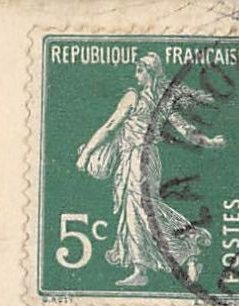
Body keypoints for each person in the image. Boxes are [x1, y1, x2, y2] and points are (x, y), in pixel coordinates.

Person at [75, 53, 225, 287]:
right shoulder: (161, 100)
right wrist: (210, 142)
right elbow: (186, 130)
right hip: (139, 159)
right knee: (135, 210)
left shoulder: (133, 97)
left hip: (138, 159)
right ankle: (141, 269)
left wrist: (86, 153)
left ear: (150, 73)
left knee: (145, 210)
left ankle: (189, 248)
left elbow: (110, 126)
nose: (136, 72)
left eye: (140, 69)